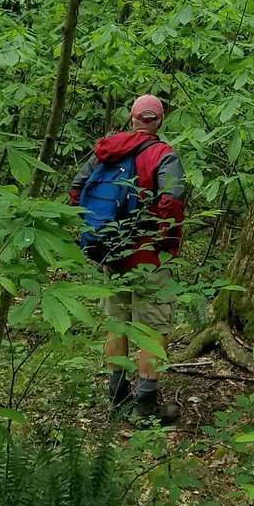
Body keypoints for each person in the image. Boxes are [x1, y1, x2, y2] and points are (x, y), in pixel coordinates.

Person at [69, 94, 186, 423]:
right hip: (149, 255)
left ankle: (117, 399)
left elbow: (76, 191)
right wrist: (164, 239)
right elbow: (171, 200)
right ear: (159, 121)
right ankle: (144, 406)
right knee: (153, 329)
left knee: (117, 324)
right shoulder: (164, 155)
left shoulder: (105, 152)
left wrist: (98, 230)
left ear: (131, 118)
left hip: (111, 251)